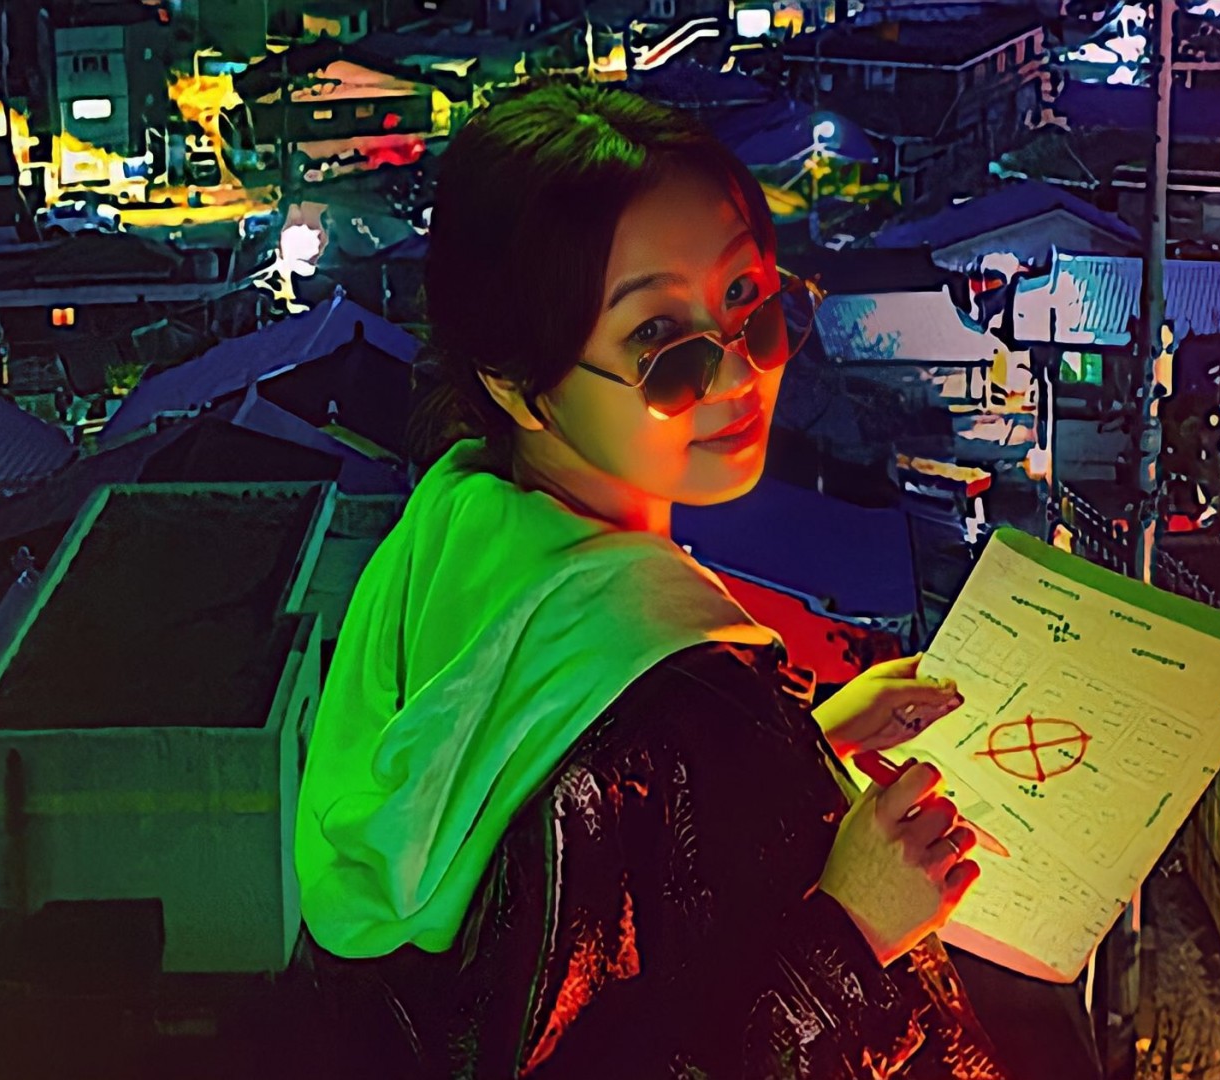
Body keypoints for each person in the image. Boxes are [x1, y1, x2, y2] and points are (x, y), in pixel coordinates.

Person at [293, 82, 1005, 1077]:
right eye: (659, 342)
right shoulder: (681, 699)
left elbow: (558, 803)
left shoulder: (454, 536)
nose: (739, 375)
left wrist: (805, 745)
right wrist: (851, 941)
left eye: (749, 302)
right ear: (519, 384)